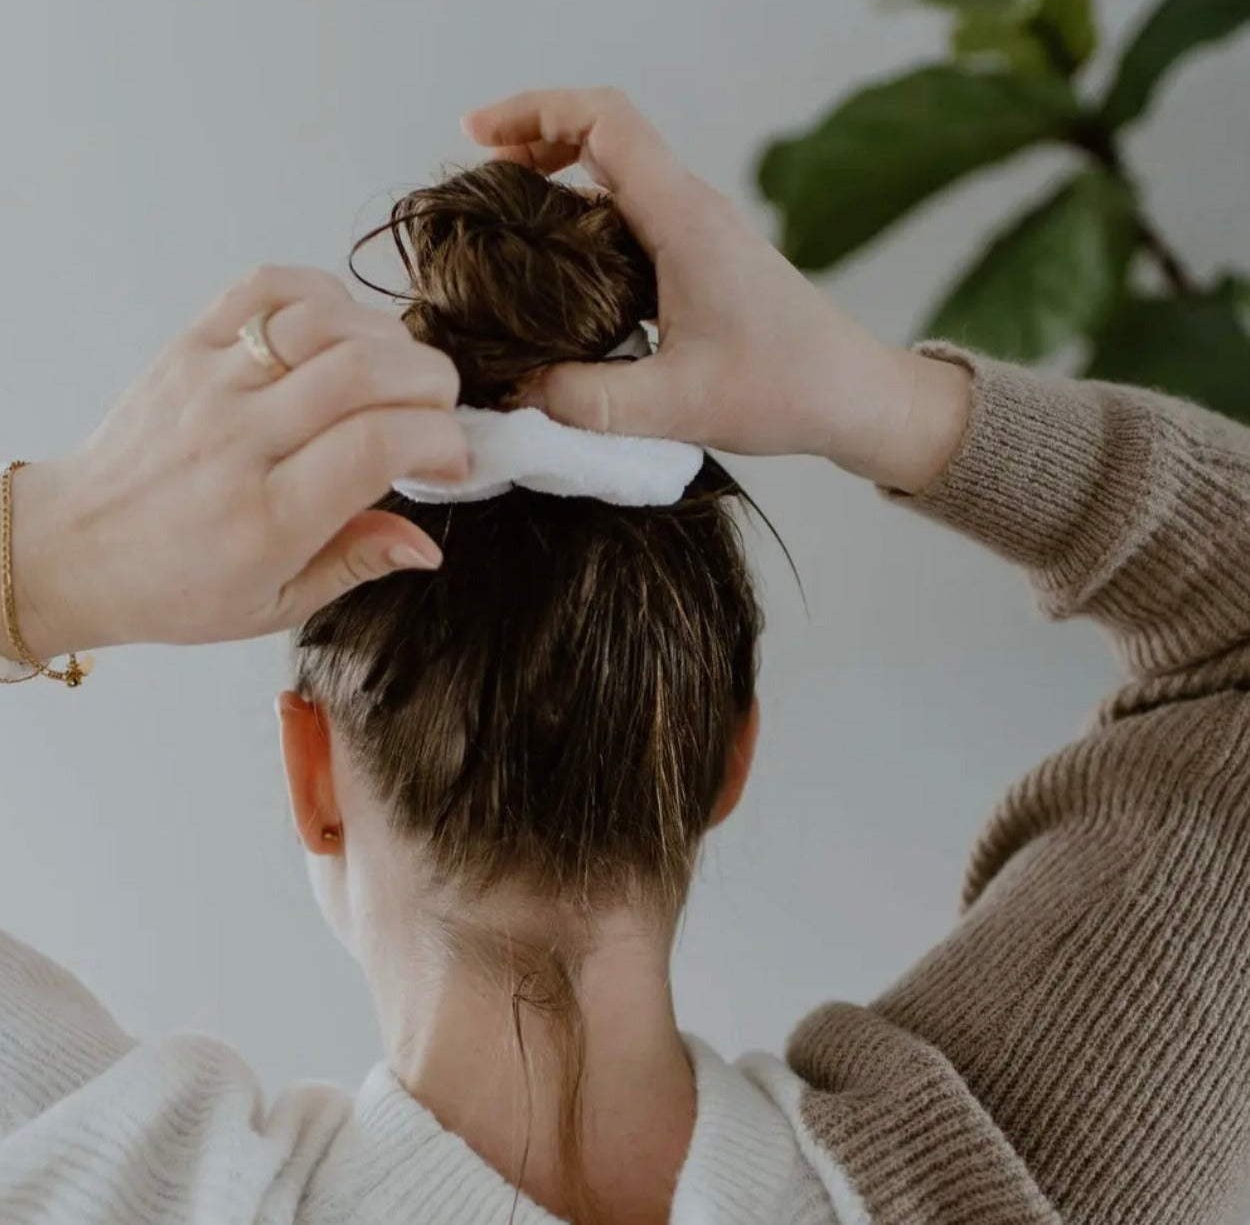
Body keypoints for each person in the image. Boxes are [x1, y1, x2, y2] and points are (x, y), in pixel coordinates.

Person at [1, 87, 1248, 1225]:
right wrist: (874, 397)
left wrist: (50, 555)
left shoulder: (97, 1185)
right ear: (721, 756)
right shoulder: (1019, 1176)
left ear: (313, 775)